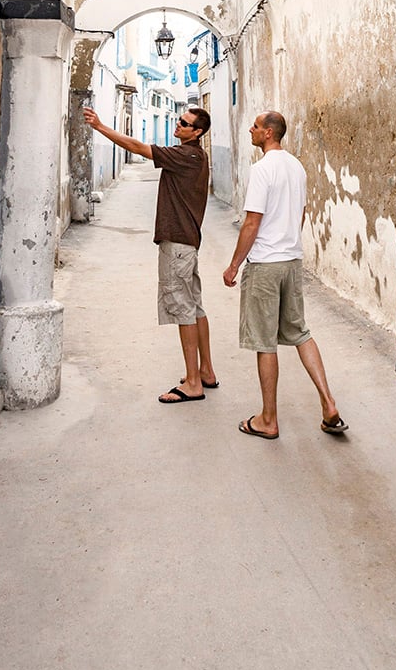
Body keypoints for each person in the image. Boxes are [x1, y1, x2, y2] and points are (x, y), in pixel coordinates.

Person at [222, 111, 347, 439]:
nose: (250, 129)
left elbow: (252, 222)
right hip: (291, 260)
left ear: (267, 133)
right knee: (300, 332)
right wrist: (288, 242)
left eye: (255, 126)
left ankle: (268, 419)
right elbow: (302, 212)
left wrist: (235, 264)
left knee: (265, 342)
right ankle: (329, 402)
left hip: (265, 264)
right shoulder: (297, 167)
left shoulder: (262, 169)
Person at [83, 104, 218, 403]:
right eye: (180, 120)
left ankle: (193, 382)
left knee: (182, 308)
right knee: (195, 307)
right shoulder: (196, 154)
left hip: (178, 244)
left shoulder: (184, 155)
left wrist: (101, 127)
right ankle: (206, 370)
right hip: (188, 243)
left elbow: (138, 147)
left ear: (197, 132)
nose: (179, 125)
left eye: (185, 123)